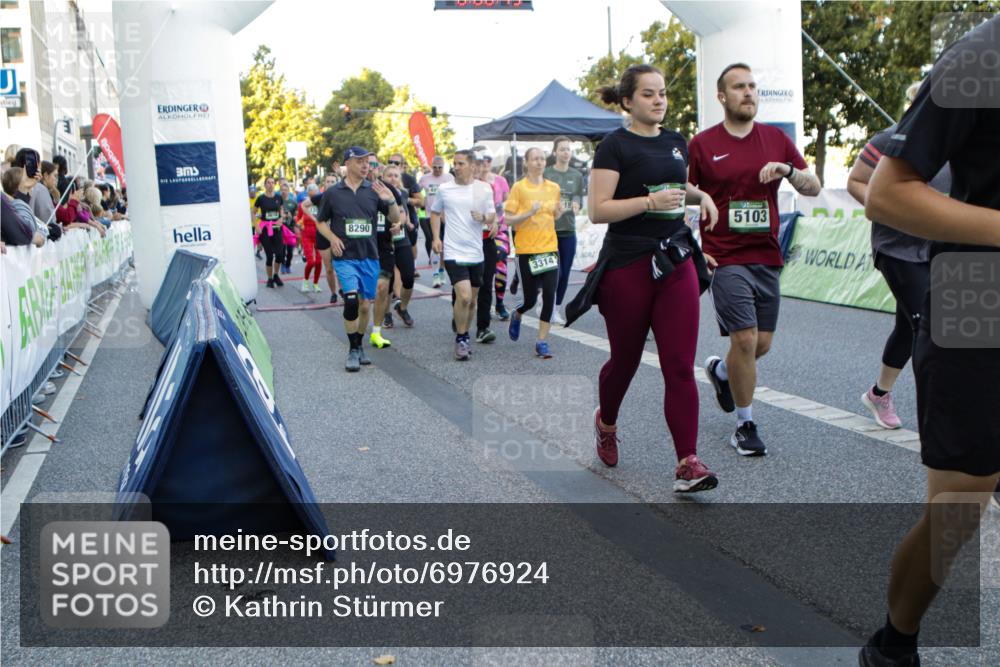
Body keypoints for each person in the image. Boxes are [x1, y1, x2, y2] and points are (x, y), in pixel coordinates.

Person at [860, 16, 1000, 666]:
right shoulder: (983, 55)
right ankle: (895, 642)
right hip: (978, 295)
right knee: (957, 510)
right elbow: (887, 193)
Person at [565, 64, 719, 493]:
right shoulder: (614, 146)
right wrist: (649, 202)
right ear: (628, 101)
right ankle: (607, 421)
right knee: (626, 361)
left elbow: (675, 187)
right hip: (628, 264)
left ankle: (688, 463)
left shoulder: (675, 142)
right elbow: (599, 210)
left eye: (663, 93)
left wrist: (700, 194)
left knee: (679, 366)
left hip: (674, 259)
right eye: (649, 94)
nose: (659, 101)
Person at [690, 62, 821, 457]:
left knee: (759, 345)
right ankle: (745, 425)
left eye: (752, 86)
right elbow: (681, 189)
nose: (748, 93)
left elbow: (812, 186)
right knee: (743, 339)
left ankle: (722, 372)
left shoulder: (775, 140)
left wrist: (786, 170)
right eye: (738, 87)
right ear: (722, 96)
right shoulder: (703, 144)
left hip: (766, 255)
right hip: (724, 256)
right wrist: (699, 220)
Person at [847, 82, 950, 430]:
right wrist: (890, 211)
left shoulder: (956, 145)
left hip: (938, 247)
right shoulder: (889, 140)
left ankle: (879, 393)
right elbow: (857, 181)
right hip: (896, 248)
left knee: (909, 327)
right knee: (929, 327)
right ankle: (939, 421)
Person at [314, 146, 400, 372]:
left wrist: (390, 201)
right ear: (348, 163)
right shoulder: (333, 193)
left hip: (369, 256)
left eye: (368, 162)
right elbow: (321, 222)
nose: (365, 166)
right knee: (351, 301)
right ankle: (352, 350)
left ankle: (359, 344)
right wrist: (332, 238)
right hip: (345, 257)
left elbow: (394, 218)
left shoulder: (374, 191)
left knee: (364, 306)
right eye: (360, 161)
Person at [430, 149, 496, 361]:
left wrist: (485, 217)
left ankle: (464, 332)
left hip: (476, 252)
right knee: (464, 296)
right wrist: (436, 238)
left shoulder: (483, 189)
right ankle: (461, 338)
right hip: (453, 250)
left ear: (471, 166)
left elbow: (492, 216)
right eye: (454, 163)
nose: (455, 167)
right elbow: (434, 212)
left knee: (471, 301)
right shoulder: (445, 189)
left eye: (460, 164)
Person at [504, 147, 563, 358]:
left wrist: (559, 211)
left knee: (549, 295)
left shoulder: (554, 187)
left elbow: (554, 215)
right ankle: (518, 313)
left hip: (549, 249)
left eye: (542, 159)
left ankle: (542, 341)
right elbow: (508, 219)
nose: (539, 162)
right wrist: (529, 212)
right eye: (535, 159)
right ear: (526, 163)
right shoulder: (519, 188)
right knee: (529, 300)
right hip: (526, 250)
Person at [544, 136, 585, 325]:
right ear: (555, 152)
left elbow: (578, 200)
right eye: (562, 149)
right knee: (554, 272)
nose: (566, 152)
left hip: (568, 230)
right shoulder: (546, 174)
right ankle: (546, 303)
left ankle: (555, 308)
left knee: (565, 273)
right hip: (548, 231)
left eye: (568, 149)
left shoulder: (576, 175)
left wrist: (575, 205)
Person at [369, 166, 406, 350]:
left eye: (374, 165)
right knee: (362, 299)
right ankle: (359, 328)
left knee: (382, 287)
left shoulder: (389, 190)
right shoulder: (357, 190)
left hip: (384, 247)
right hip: (363, 248)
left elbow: (399, 213)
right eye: (368, 164)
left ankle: (376, 331)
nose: (370, 168)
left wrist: (398, 224)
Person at [382, 164, 417, 328]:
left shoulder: (402, 193)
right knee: (387, 281)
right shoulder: (377, 193)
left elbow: (404, 212)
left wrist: (404, 223)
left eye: (396, 175)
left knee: (409, 277)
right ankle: (386, 313)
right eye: (389, 175)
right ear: (383, 177)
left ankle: (402, 308)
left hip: (401, 238)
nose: (393, 178)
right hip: (384, 241)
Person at [419, 155, 454, 287]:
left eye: (440, 167)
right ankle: (435, 275)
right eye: (435, 167)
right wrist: (419, 202)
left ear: (443, 166)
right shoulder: (424, 178)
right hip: (430, 215)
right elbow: (415, 191)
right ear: (431, 166)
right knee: (435, 245)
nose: (437, 170)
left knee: (444, 247)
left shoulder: (449, 178)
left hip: (446, 216)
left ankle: (441, 271)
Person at [1, 168, 46, 247]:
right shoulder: (17, 205)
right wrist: (35, 236)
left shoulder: (16, 204)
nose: (30, 180)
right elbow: (26, 229)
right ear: (18, 184)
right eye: (26, 178)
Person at [254, 177, 285, 288]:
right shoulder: (261, 198)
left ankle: (276, 275)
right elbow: (253, 213)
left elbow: (281, 210)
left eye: (272, 183)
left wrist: (281, 218)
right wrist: (256, 226)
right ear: (265, 185)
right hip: (266, 230)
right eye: (268, 183)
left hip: (277, 228)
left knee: (280, 254)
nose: (271, 184)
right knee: (269, 255)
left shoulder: (278, 197)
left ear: (274, 185)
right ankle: (270, 279)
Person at [297, 183, 323, 293]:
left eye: (315, 193)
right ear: (307, 193)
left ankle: (316, 284)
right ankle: (305, 281)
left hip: (319, 234)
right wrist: (300, 224)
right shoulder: (302, 205)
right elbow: (297, 219)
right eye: (311, 193)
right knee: (311, 262)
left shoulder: (321, 203)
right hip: (306, 235)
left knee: (318, 262)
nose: (313, 196)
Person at [279, 180, 300, 274]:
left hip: (290, 228)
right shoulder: (277, 201)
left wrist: (294, 218)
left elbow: (297, 215)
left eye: (285, 190)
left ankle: (288, 264)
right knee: (282, 249)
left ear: (288, 191)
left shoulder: (293, 202)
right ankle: (283, 265)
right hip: (280, 228)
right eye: (282, 190)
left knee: (290, 250)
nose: (283, 191)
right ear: (280, 191)